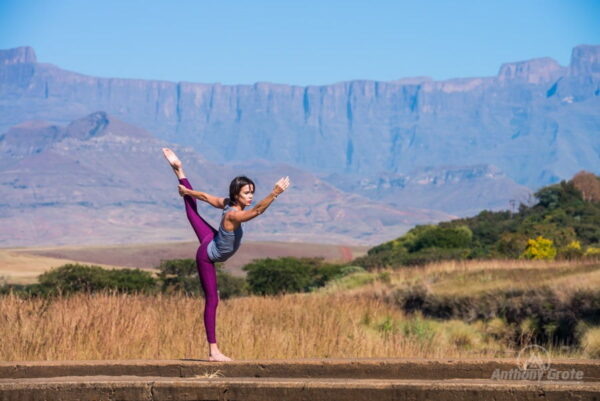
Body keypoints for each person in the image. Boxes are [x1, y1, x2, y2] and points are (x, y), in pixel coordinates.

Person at [162, 148, 290, 361]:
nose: (250, 196)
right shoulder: (233, 214)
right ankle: (213, 351)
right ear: (236, 195)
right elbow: (258, 210)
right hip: (207, 254)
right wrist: (275, 193)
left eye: (251, 192)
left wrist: (186, 189)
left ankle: (179, 169)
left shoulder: (227, 203)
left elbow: (203, 196)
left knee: (193, 212)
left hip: (211, 239)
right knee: (213, 300)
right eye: (246, 193)